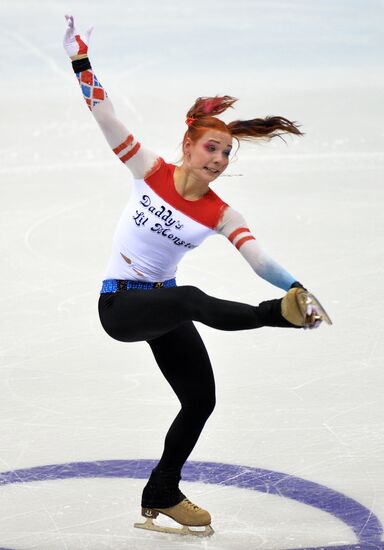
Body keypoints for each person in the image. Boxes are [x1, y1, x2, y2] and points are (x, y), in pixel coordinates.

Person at [63, 15, 331, 537]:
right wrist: (80, 59)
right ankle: (278, 318)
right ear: (188, 147)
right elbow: (102, 111)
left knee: (201, 399)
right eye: (212, 148)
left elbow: (259, 260)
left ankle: (162, 490)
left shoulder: (220, 213)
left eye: (227, 153)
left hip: (161, 307)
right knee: (188, 296)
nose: (220, 159)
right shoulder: (148, 169)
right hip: (120, 307)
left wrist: (297, 287)